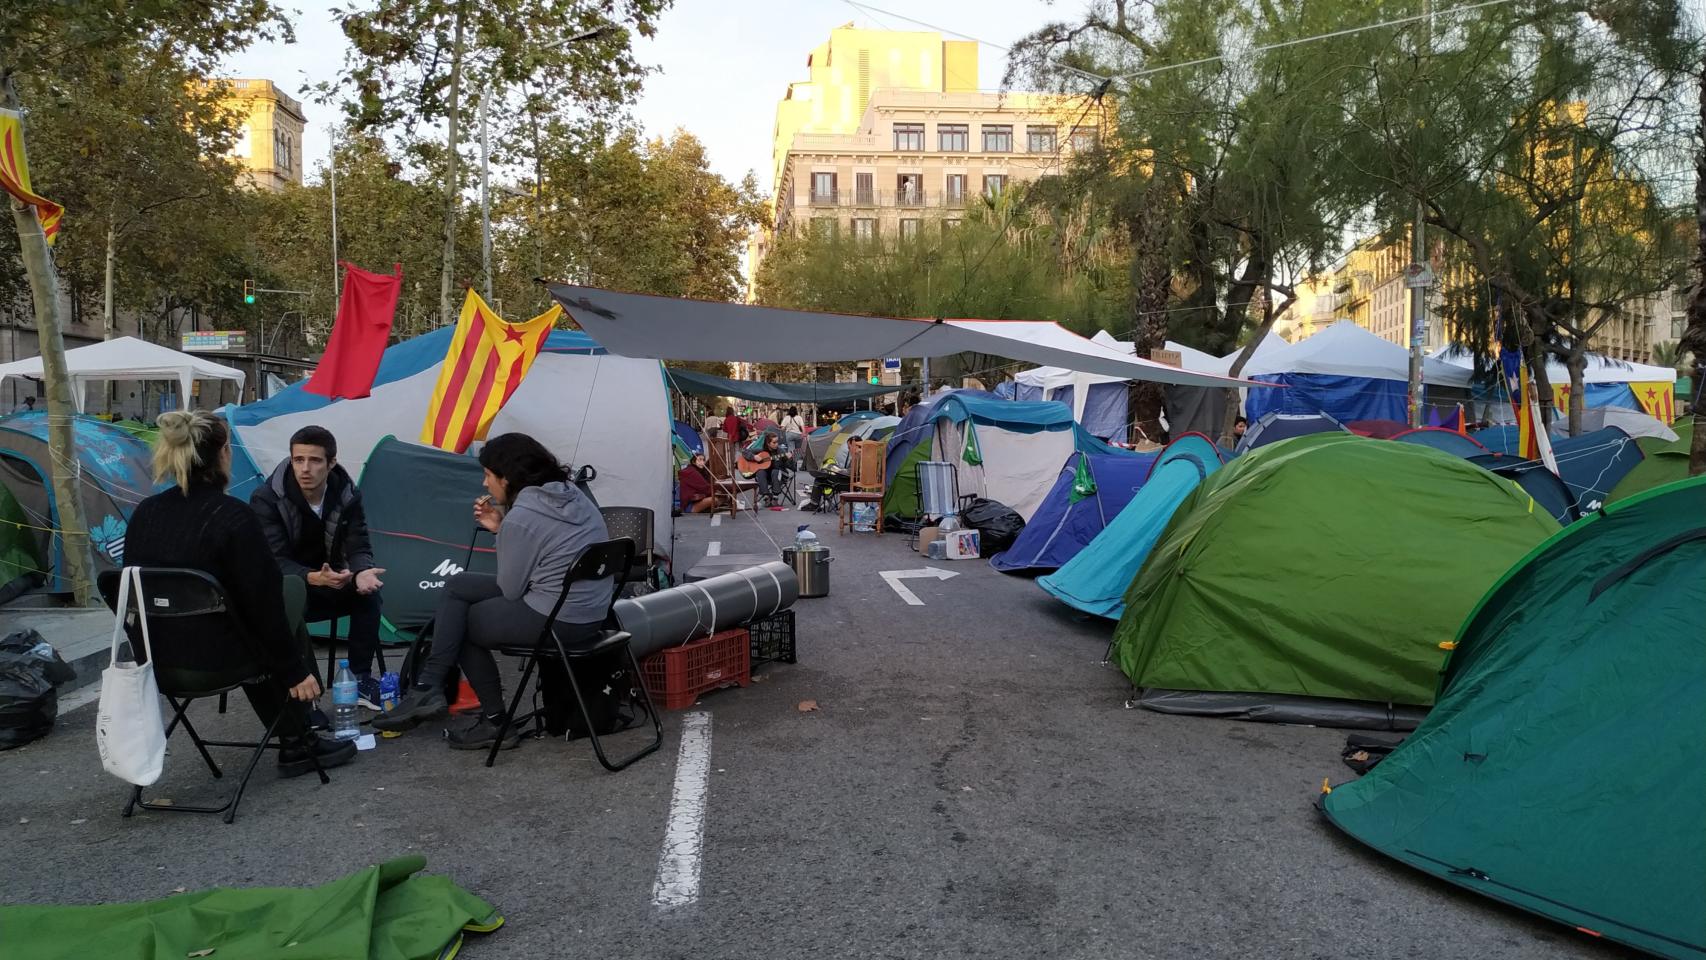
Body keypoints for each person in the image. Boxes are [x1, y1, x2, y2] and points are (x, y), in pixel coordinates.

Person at [123, 411, 356, 776]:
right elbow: (263, 605)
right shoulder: (232, 517)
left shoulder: (145, 514)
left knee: (251, 609)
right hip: (219, 662)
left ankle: (299, 728)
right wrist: (295, 671)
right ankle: (299, 736)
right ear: (224, 454)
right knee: (287, 591)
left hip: (158, 665)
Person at [374, 433, 614, 750]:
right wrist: (504, 527)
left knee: (464, 624)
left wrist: (504, 530)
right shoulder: (571, 494)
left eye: (488, 475)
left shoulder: (523, 517)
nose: (485, 484)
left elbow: (511, 590)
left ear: (508, 477)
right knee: (457, 585)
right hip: (592, 611)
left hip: (560, 619)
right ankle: (428, 684)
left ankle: (493, 720)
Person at [250, 425, 387, 710]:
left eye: (314, 460)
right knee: (291, 601)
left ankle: (359, 680)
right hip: (292, 585)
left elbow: (358, 544)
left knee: (370, 595)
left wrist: (362, 571)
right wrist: (312, 578)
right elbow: (273, 560)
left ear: (331, 463)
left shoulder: (347, 493)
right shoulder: (267, 498)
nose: (305, 469)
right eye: (298, 460)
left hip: (332, 579)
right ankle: (304, 695)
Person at [746, 431, 787, 510]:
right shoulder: (761, 451)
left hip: (778, 476)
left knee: (775, 471)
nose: (776, 444)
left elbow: (790, 467)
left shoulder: (781, 451)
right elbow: (745, 451)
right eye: (774, 442)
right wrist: (754, 457)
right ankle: (766, 497)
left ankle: (775, 498)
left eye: (777, 442)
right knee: (760, 471)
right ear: (768, 443)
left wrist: (789, 460)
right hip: (765, 477)